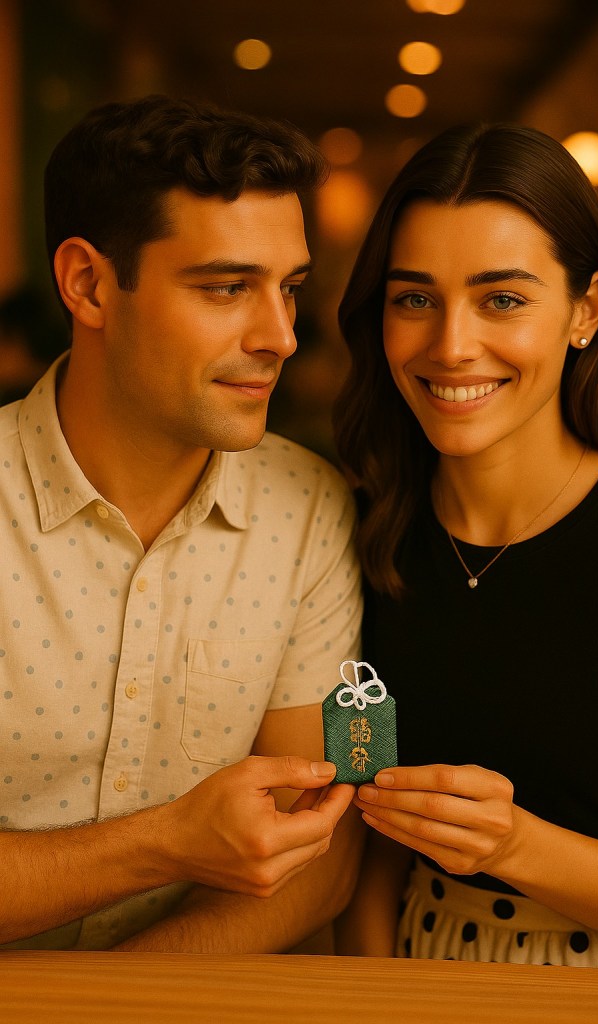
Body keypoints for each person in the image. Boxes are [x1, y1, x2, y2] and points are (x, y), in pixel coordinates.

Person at [0, 95, 363, 952]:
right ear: (88, 284)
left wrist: (117, 1007)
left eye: (290, 289)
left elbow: (323, 849)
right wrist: (162, 842)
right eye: (227, 287)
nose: (279, 335)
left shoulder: (309, 507)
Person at [332, 122, 598, 971]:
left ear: (585, 312)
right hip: (416, 970)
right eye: (413, 297)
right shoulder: (360, 532)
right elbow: (370, 848)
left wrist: (513, 843)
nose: (451, 344)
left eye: (502, 299)